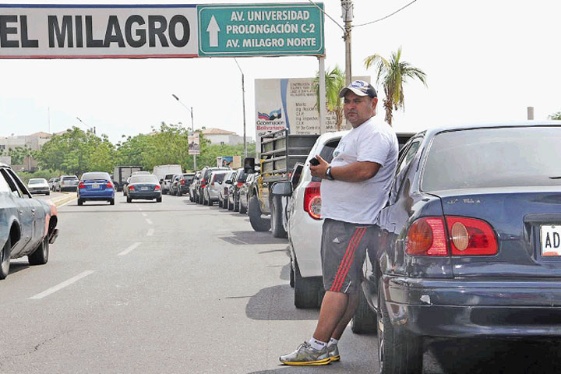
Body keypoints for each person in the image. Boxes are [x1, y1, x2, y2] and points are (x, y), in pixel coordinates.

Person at [279, 80, 399, 366]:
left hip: (353, 221)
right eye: (347, 101)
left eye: (357, 101)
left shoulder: (376, 133)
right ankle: (329, 344)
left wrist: (328, 171)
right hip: (346, 219)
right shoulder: (359, 133)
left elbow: (367, 169)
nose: (350, 106)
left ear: (374, 103)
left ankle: (317, 345)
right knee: (348, 287)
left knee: (337, 286)